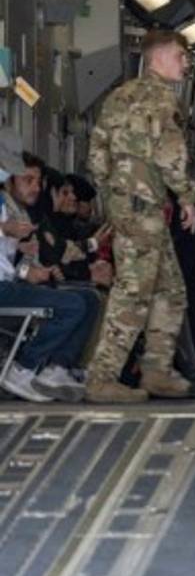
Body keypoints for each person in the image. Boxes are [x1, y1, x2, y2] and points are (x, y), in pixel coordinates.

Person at [86, 29, 195, 404]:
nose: (185, 65)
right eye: (182, 57)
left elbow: (97, 155)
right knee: (133, 294)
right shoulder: (163, 99)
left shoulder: (118, 97)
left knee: (170, 290)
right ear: (160, 58)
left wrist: (112, 197)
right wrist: (185, 195)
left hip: (126, 206)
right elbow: (170, 155)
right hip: (144, 207)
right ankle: (101, 378)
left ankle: (156, 372)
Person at [0, 145, 99, 402]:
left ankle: (58, 368)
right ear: (9, 181)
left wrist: (25, 267)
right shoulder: (8, 214)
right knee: (73, 305)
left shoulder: (14, 210)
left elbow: (7, 261)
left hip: (9, 283)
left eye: (38, 181)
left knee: (89, 301)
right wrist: (4, 230)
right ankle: (23, 366)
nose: (35, 187)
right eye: (27, 180)